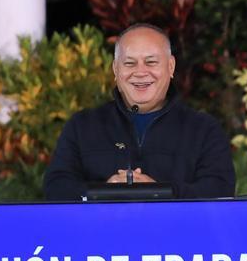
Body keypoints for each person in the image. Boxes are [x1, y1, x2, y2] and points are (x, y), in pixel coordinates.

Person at [43, 23, 235, 200]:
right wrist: (102, 193)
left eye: (151, 62)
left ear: (171, 67)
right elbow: (56, 187)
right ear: (116, 70)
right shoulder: (82, 127)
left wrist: (159, 192)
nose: (140, 72)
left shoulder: (203, 129)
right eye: (129, 63)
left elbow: (219, 190)